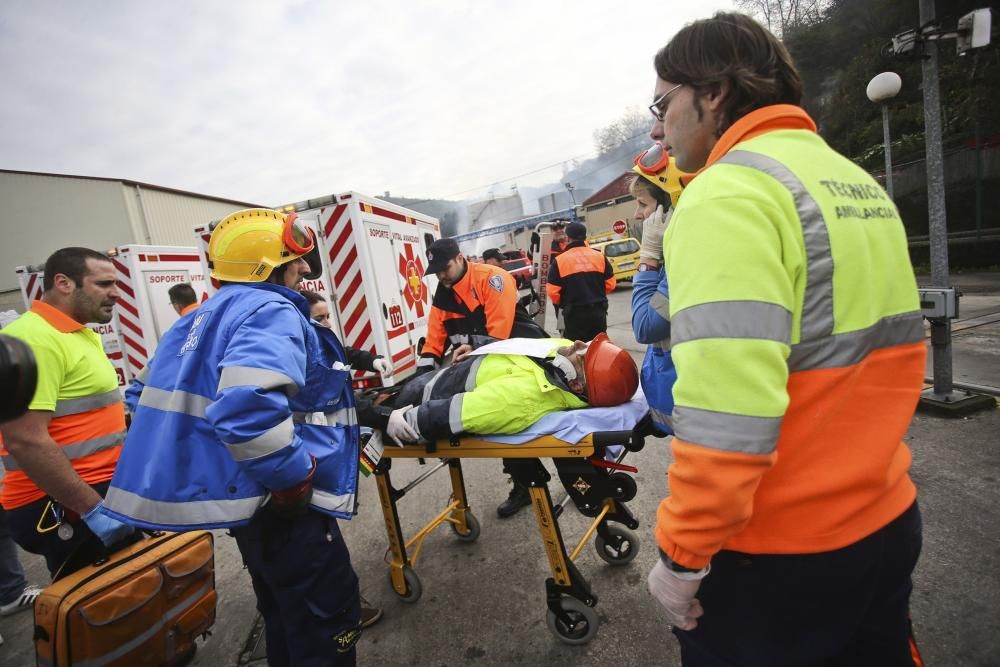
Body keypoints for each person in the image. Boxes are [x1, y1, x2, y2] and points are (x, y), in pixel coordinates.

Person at [644, 13, 927, 666]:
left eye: (662, 105)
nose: (657, 129)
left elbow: (725, 420)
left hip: (781, 558)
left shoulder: (726, 195)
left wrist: (682, 556)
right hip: (885, 519)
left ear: (711, 93)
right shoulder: (855, 183)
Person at [102, 209, 364, 666]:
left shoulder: (196, 320)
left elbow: (141, 395)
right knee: (324, 623)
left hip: (248, 508)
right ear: (268, 266)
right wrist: (294, 481)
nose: (304, 268)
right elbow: (247, 411)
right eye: (294, 259)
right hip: (284, 504)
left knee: (284, 616)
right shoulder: (271, 309)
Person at [0, 247, 135, 577]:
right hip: (64, 504)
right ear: (63, 283)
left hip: (89, 493)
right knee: (111, 611)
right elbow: (25, 440)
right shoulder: (34, 339)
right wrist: (91, 509)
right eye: (103, 284)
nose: (115, 293)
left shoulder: (75, 333)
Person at [419, 237, 548, 518]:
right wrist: (421, 377)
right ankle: (524, 484)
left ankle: (583, 483)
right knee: (502, 427)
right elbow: (434, 339)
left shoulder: (492, 279)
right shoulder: (443, 295)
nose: (441, 275)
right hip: (486, 366)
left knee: (548, 428)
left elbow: (499, 335)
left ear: (461, 258)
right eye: (437, 270)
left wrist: (474, 348)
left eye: (446, 268)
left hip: (520, 357)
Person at [300, 289, 387, 630]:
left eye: (326, 316)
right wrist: (381, 415)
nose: (325, 323)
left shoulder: (317, 337)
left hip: (320, 449)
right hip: (311, 456)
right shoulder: (303, 347)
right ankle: (341, 613)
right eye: (318, 318)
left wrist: (369, 360)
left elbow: (345, 352)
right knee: (322, 547)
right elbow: (337, 396)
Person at [375, 334, 638, 445]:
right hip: (445, 375)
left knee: (361, 407)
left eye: (583, 355)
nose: (578, 343)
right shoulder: (562, 357)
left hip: (422, 397)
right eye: (588, 344)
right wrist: (480, 344)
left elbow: (452, 414)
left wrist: (385, 423)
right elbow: (521, 347)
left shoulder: (522, 400)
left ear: (577, 385)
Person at [629, 146, 688, 434]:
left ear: (667, 207)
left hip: (692, 411)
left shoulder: (682, 259)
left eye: (642, 204)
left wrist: (648, 258)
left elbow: (645, 326)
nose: (637, 214)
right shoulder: (675, 255)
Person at [546, 222, 616, 341]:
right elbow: (610, 284)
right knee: (599, 346)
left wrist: (564, 303)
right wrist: (596, 293)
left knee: (577, 351)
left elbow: (553, 292)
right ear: (585, 236)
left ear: (568, 237)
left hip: (573, 314)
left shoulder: (559, 260)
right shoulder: (599, 256)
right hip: (598, 311)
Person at [301, 290, 393, 378]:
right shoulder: (300, 355)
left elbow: (347, 355)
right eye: (319, 319)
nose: (328, 325)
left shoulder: (321, 346)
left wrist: (375, 361)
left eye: (327, 317)